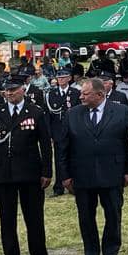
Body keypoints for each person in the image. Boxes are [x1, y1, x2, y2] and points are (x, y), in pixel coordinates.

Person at [58, 78, 128, 255]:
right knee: (86, 216)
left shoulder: (121, 111)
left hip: (112, 173)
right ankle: (90, 253)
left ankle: (111, 251)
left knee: (113, 214)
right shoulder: (72, 114)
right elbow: (63, 147)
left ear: (100, 94)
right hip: (82, 174)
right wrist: (65, 176)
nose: (81, 97)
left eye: (85, 93)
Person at [0, 76, 53, 255]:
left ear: (23, 90)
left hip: (30, 172)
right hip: (4, 172)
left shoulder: (35, 111)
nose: (9, 93)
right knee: (7, 219)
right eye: (7, 90)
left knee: (34, 217)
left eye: (13, 89)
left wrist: (47, 171)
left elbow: (45, 144)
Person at [45, 69, 82, 197]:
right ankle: (59, 186)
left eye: (63, 77)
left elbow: (79, 113)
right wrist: (50, 133)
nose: (61, 80)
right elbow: (48, 115)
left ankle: (74, 184)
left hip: (73, 130)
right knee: (59, 159)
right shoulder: (51, 94)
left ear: (69, 78)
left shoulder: (76, 93)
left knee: (74, 157)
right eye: (59, 78)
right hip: (58, 131)